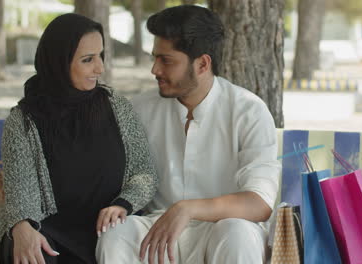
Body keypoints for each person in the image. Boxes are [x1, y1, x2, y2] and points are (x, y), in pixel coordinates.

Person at [96, 5, 280, 264]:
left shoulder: (248, 111)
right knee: (116, 234)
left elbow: (259, 202)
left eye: (166, 61)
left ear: (203, 63)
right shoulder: (139, 110)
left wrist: (188, 208)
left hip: (222, 231)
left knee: (237, 232)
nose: (155, 70)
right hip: (157, 229)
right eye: (155, 58)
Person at [0, 13, 158, 264]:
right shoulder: (25, 119)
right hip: (46, 232)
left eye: (101, 56)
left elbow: (145, 173)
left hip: (110, 231)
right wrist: (22, 227)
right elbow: (21, 192)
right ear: (59, 62)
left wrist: (123, 204)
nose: (99, 68)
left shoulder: (118, 108)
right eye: (87, 60)